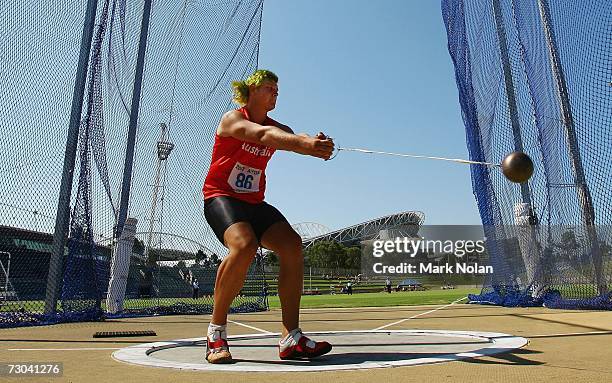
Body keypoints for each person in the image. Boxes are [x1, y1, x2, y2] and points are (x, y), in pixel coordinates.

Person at [202, 69, 334, 364]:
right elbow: (263, 135)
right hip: (221, 197)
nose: (276, 92)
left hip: (253, 202)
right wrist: (304, 145)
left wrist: (316, 145)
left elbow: (291, 137)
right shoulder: (232, 119)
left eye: (277, 88)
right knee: (244, 244)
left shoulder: (278, 126)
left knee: (291, 244)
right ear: (251, 91)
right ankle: (216, 332)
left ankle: (291, 337)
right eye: (269, 87)